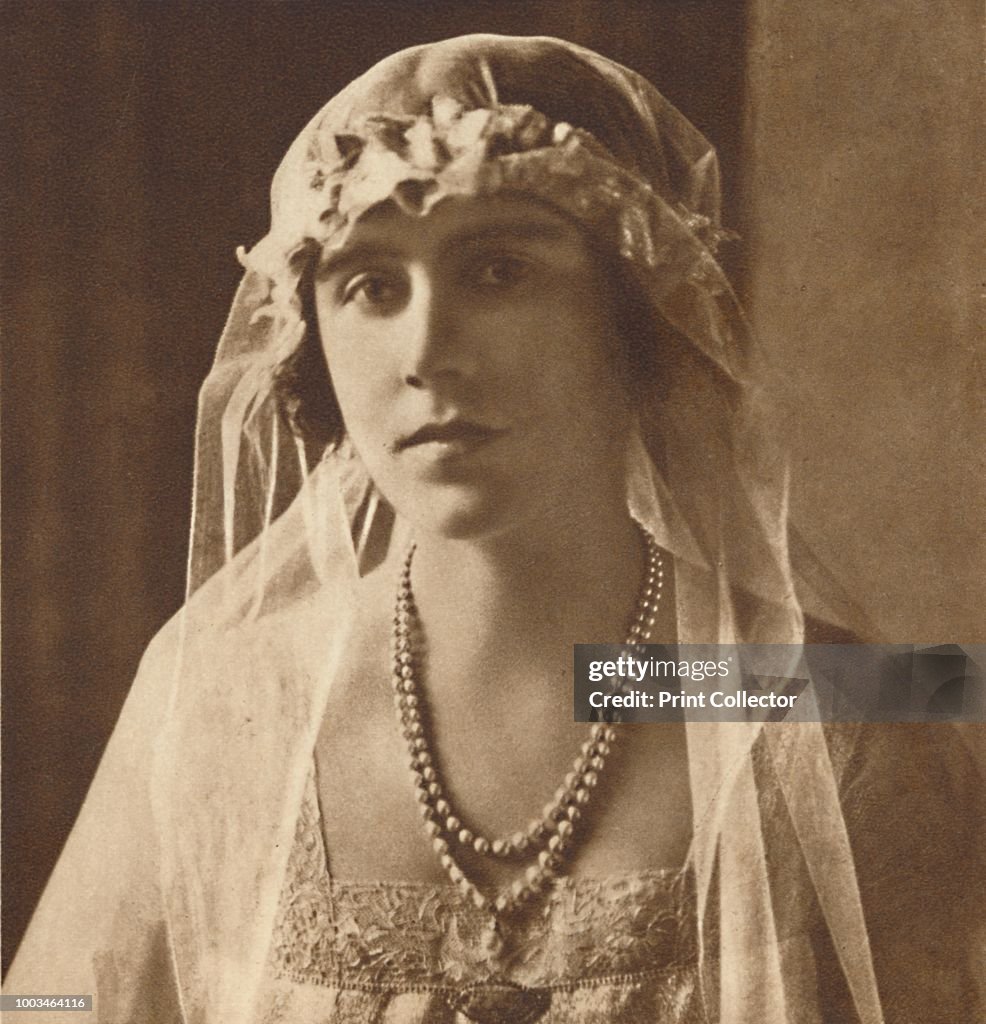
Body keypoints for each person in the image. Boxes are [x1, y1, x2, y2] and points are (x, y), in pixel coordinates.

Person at [6, 34, 983, 1024]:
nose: (426, 351)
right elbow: (47, 1010)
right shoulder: (217, 699)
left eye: (499, 271)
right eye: (371, 287)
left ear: (630, 314)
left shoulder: (853, 709)